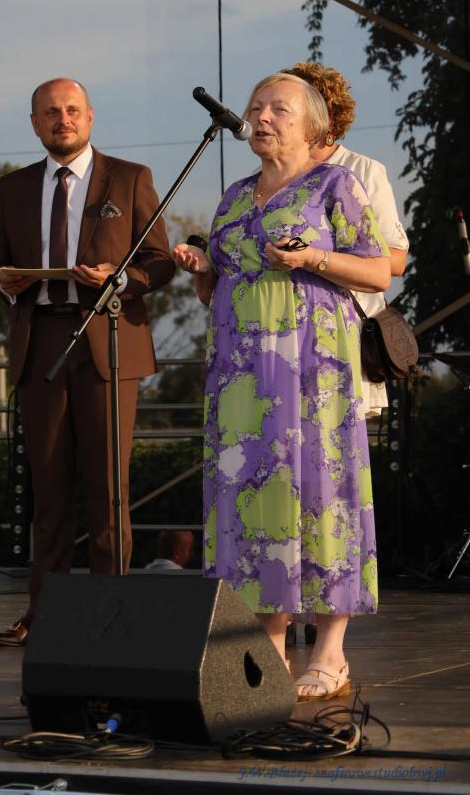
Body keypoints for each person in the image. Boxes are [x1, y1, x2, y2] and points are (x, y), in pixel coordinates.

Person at [174, 73, 391, 701]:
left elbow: (379, 270)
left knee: (321, 495)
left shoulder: (336, 184)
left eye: (279, 109)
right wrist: (202, 269)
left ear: (312, 125)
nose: (262, 117)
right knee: (255, 501)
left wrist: (312, 258)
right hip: (242, 375)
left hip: (312, 370)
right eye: (256, 107)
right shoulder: (235, 196)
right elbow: (217, 289)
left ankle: (330, 651)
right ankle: (267, 647)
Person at [0, 78, 175, 646]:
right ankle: (44, 614)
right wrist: (3, 279)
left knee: (108, 490)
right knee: (49, 492)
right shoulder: (14, 187)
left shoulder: (129, 178)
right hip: (39, 340)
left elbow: (159, 261)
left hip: (107, 338)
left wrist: (121, 279)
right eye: (50, 112)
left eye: (71, 110)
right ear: (35, 123)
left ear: (89, 117)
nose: (61, 119)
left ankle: (111, 614)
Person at [283, 61, 409, 418]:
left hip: (344, 338)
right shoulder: (269, 178)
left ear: (322, 116)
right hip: (285, 336)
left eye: (287, 106)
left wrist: (314, 256)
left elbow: (395, 260)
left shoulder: (363, 170)